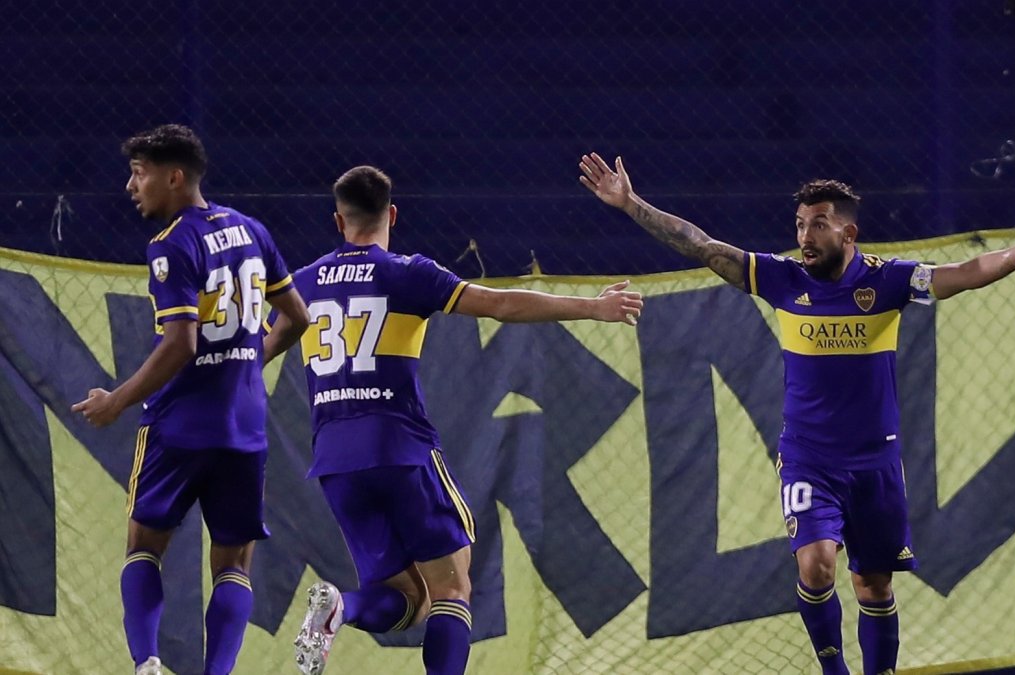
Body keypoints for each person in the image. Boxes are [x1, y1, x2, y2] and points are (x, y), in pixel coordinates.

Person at [578, 153, 1015, 675]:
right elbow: (704, 247)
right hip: (808, 460)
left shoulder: (889, 282)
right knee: (816, 565)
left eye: (818, 224)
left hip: (875, 463)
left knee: (873, 584)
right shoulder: (783, 279)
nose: (805, 235)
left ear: (849, 231)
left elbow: (964, 273)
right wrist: (631, 204)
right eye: (799, 224)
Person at [263, 165, 643, 675]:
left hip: (334, 459)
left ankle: (342, 607)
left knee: (403, 598)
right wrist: (592, 308)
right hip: (400, 447)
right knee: (452, 589)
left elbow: (252, 356)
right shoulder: (406, 272)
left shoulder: (303, 283)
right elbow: (501, 304)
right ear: (391, 214)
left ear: (338, 221)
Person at [71, 124, 310, 675]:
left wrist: (118, 400)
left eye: (140, 173)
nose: (132, 185)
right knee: (233, 567)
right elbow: (297, 317)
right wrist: (250, 361)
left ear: (174, 177)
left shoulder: (171, 244)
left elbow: (181, 342)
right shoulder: (253, 231)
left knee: (142, 548)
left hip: (180, 425)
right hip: (244, 428)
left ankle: (147, 662)